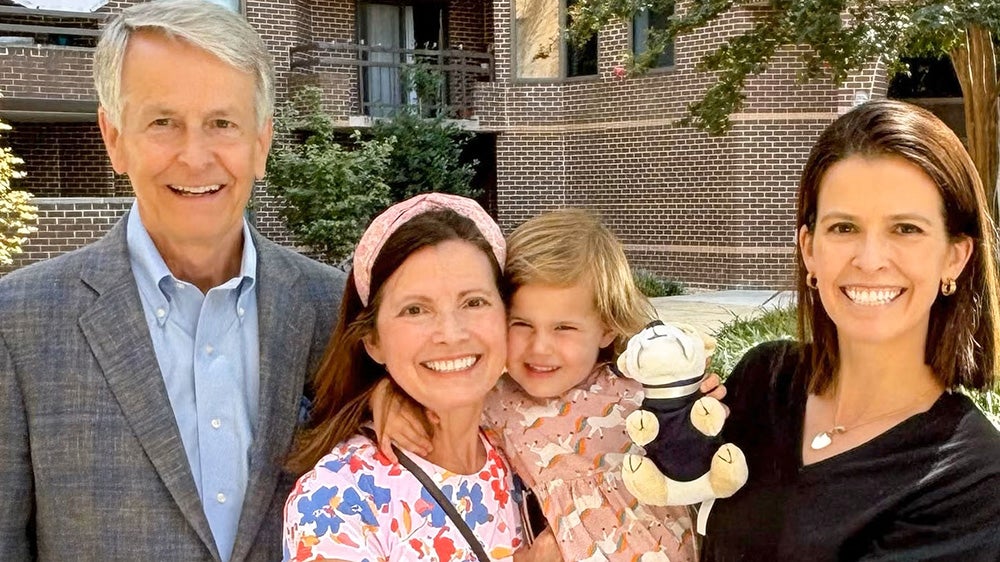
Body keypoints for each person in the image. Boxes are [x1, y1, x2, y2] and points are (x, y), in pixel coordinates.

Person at [0, 1, 345, 560]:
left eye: (222, 123)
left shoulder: (335, 310)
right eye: (163, 123)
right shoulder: (18, 323)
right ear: (114, 138)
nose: (195, 155)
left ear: (261, 142)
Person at [702, 100, 1000, 561]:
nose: (870, 259)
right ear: (809, 249)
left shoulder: (973, 478)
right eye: (844, 227)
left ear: (955, 257)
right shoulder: (763, 381)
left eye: (905, 228)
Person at [375, 209, 722, 560]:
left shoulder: (637, 387)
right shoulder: (496, 400)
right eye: (522, 324)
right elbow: (435, 396)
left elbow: (699, 447)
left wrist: (702, 406)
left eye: (564, 328)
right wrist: (388, 397)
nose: (540, 348)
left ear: (606, 328)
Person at [282, 193, 560, 561]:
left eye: (474, 302)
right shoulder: (339, 501)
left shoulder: (533, 441)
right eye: (415, 309)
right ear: (373, 341)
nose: (451, 333)